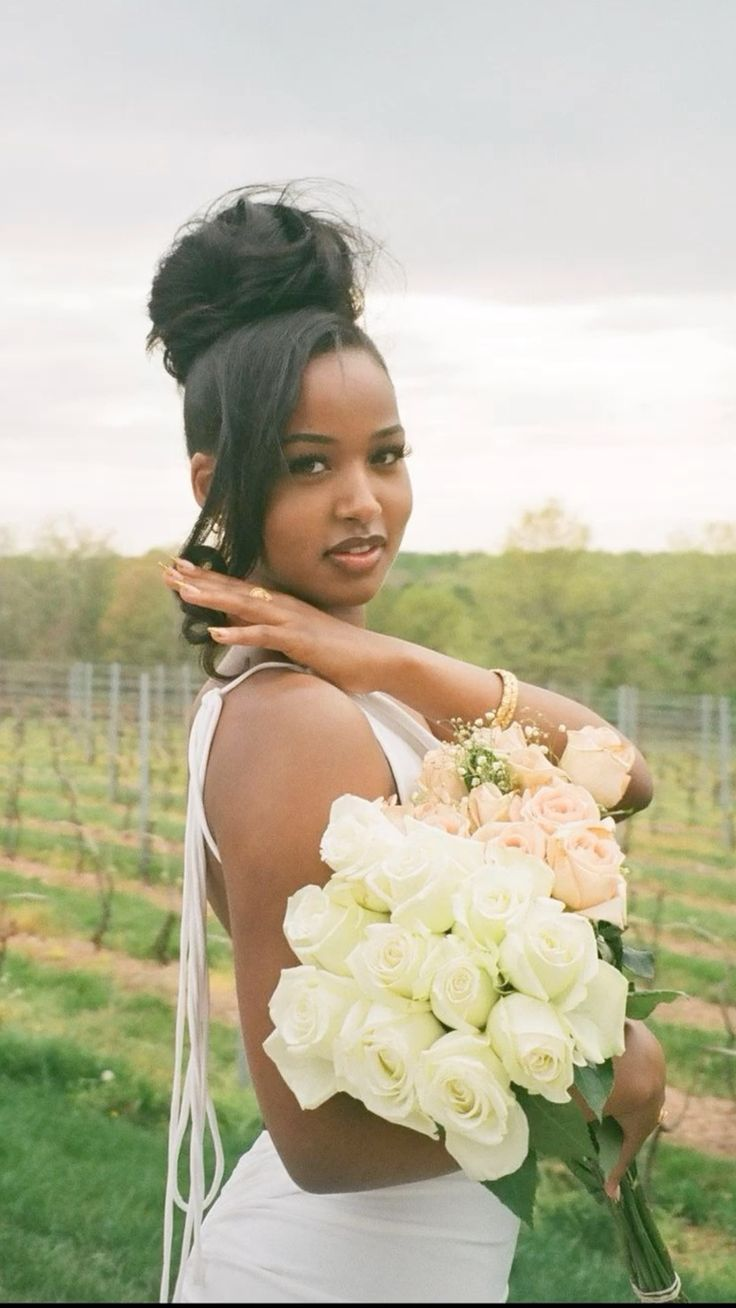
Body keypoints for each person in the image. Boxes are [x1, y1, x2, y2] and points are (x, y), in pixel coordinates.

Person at [148, 183, 666, 1305]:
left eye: (384, 455)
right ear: (214, 487)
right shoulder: (289, 723)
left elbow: (623, 775)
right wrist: (595, 1085)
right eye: (307, 464)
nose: (363, 503)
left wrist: (385, 659)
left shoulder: (345, 690)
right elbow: (321, 1144)